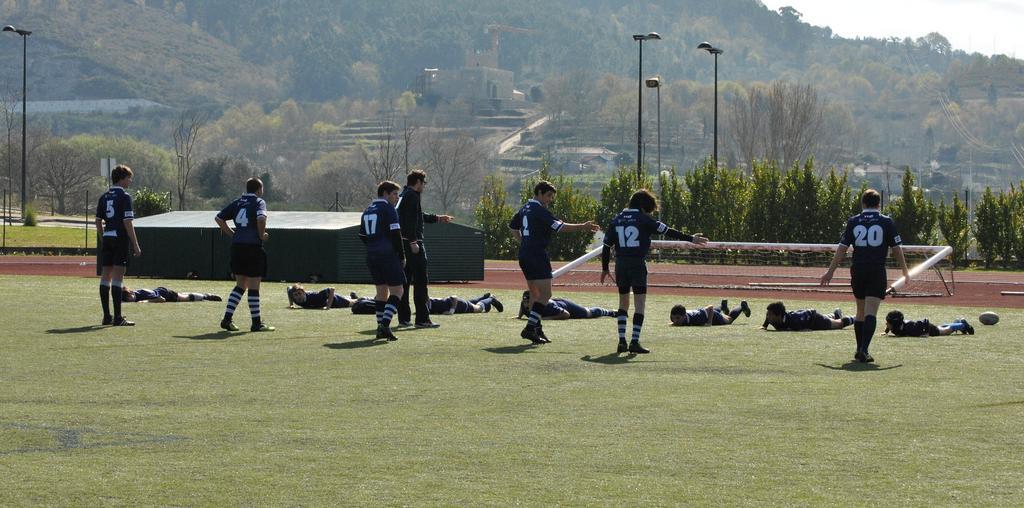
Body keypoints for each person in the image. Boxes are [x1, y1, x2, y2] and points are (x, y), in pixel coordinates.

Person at [601, 189, 708, 354]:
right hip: (637, 264)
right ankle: (634, 342)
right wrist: (691, 238)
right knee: (639, 304)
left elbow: (606, 246)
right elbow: (668, 231)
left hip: (620, 265)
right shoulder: (644, 219)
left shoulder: (617, 219)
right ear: (644, 206)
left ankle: (621, 341)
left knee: (623, 303)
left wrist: (604, 268)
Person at [821, 188, 910, 363]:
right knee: (871, 311)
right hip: (876, 270)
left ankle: (858, 349)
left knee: (860, 311)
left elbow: (842, 248)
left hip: (858, 270)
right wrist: (905, 270)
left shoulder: (853, 221)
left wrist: (830, 271)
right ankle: (864, 349)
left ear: (862, 203)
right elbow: (896, 249)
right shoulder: (886, 221)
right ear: (879, 204)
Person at [509, 180, 600, 344]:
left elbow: (513, 227)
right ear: (539, 193)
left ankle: (537, 329)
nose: (550, 199)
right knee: (546, 295)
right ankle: (530, 328)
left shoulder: (524, 208)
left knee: (535, 295)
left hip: (524, 254)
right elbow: (559, 227)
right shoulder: (539, 209)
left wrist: (523, 242)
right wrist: (583, 226)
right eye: (548, 195)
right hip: (537, 254)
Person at [395, 170, 453, 329]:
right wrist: (413, 242)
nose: (424, 186)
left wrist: (438, 218)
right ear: (418, 182)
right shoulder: (413, 196)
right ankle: (422, 319)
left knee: (405, 282)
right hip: (413, 245)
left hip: (402, 245)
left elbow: (418, 216)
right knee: (421, 282)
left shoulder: (403, 195)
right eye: (423, 183)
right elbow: (410, 221)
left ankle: (404, 318)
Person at [215, 177, 274, 332]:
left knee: (241, 285)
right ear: (259, 189)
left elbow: (219, 218)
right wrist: (261, 235)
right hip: (253, 247)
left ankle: (227, 319)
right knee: (254, 286)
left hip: (237, 247)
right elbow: (261, 218)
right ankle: (256, 323)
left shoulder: (237, 202)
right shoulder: (259, 202)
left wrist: (232, 234)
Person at [96, 164, 142, 326]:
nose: (130, 181)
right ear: (122, 179)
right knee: (117, 277)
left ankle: (106, 316)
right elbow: (127, 221)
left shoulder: (103, 197)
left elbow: (98, 221)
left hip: (107, 237)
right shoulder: (125, 197)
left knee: (105, 276)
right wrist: (135, 244)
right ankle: (117, 318)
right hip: (120, 239)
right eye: (129, 178)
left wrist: (103, 238)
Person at [360, 180, 407, 341]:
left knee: (381, 292)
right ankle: (385, 326)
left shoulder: (367, 209)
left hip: (371, 256)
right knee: (398, 291)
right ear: (385, 193)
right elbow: (396, 234)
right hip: (387, 255)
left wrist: (373, 246)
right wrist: (402, 255)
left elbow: (362, 235)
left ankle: (380, 327)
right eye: (394, 194)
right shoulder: (388, 208)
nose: (396, 197)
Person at [517, 291, 616, 320]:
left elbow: (566, 314)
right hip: (557, 302)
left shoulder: (548, 306)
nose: (526, 304)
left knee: (588, 313)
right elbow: (522, 309)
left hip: (566, 306)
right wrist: (519, 316)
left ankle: (610, 312)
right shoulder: (524, 304)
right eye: (525, 301)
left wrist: (548, 318)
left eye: (528, 301)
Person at [761, 301, 854, 331]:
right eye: (767, 314)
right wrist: (764, 326)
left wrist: (804, 329)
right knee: (831, 320)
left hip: (814, 319)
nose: (767, 316)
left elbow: (804, 326)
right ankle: (835, 314)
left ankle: (857, 318)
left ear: (778, 315)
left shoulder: (794, 320)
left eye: (770, 314)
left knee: (839, 324)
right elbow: (767, 320)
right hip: (806, 318)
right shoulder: (772, 318)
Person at [883, 310, 974, 336]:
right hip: (927, 328)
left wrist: (926, 333)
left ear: (895, 324)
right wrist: (885, 332)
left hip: (931, 330)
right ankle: (957, 322)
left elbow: (925, 320)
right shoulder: (894, 327)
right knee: (942, 327)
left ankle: (963, 324)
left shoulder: (910, 326)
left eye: (888, 323)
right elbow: (890, 326)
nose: (886, 324)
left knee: (946, 331)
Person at [669, 299, 751, 326]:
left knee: (729, 320)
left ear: (684, 316)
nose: (675, 321)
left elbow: (710, 307)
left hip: (712, 315)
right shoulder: (676, 317)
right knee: (714, 311)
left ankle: (742, 307)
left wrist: (709, 323)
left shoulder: (697, 317)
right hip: (705, 312)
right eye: (673, 318)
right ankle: (722, 306)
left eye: (678, 318)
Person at [286, 284, 357, 309]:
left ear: (304, 292)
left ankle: (358, 299)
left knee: (353, 304)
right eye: (296, 295)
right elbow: (288, 288)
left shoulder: (315, 297)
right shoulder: (293, 296)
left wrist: (328, 306)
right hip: (324, 301)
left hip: (334, 301)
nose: (298, 296)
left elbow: (331, 289)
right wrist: (291, 304)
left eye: (299, 293)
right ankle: (351, 296)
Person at [121, 286, 221, 303]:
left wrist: (146, 301)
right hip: (162, 292)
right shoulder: (131, 297)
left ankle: (206, 296)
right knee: (183, 294)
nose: (128, 300)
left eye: (128, 297)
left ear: (131, 293)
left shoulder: (143, 292)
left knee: (185, 298)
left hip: (166, 294)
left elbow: (161, 299)